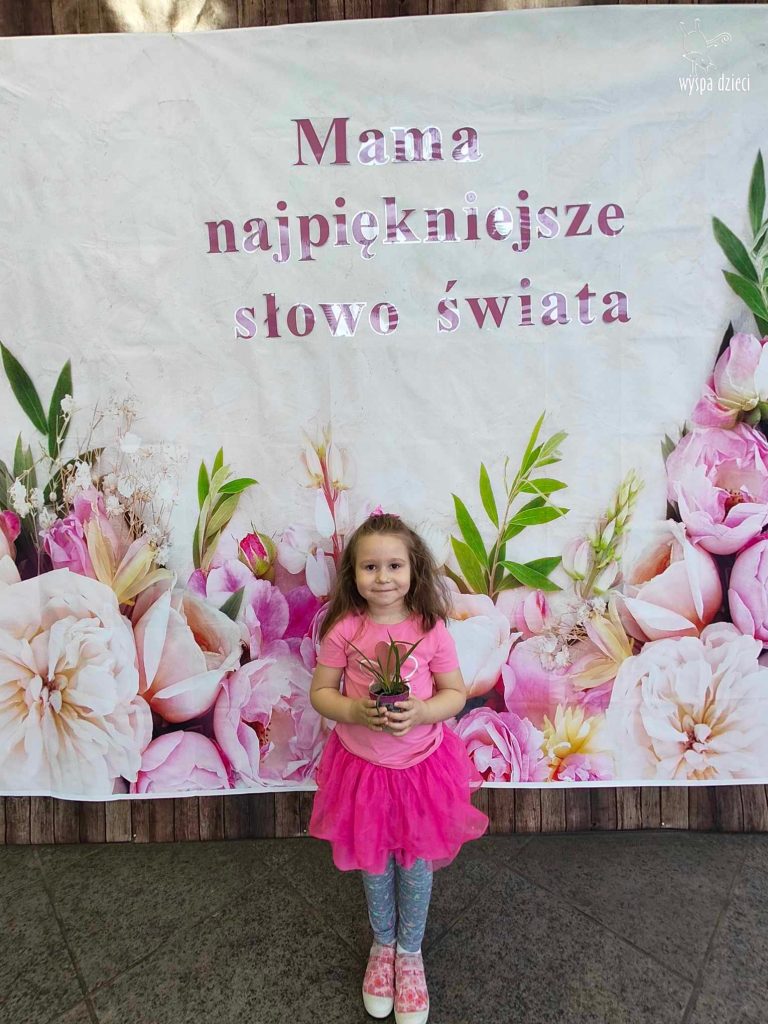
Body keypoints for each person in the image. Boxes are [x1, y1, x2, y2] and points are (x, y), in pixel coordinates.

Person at [308, 510, 489, 1024]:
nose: (383, 577)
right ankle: (382, 945)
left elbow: (454, 693)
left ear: (414, 570)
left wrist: (423, 711)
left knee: (414, 864)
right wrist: (353, 710)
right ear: (353, 574)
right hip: (362, 770)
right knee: (373, 863)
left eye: (394, 566)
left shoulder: (430, 630)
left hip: (420, 769)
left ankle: (410, 954)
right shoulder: (344, 629)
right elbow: (321, 693)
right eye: (370, 567)